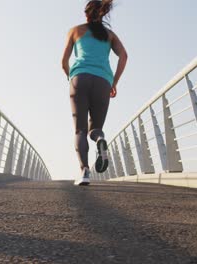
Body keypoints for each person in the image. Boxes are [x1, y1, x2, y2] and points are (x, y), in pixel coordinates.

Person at [61, 0, 128, 186]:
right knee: (95, 129)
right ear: (103, 14)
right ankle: (100, 139)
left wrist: (70, 78)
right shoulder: (109, 35)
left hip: (79, 78)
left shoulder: (75, 30)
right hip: (103, 81)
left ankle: (84, 171)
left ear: (86, 14)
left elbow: (63, 61)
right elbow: (124, 56)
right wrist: (114, 82)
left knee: (80, 129)